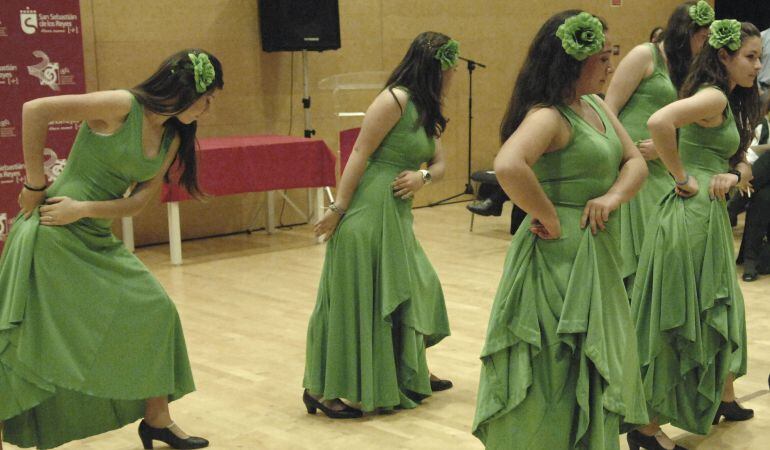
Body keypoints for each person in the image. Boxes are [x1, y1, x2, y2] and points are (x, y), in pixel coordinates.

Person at [0, 49, 221, 450]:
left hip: (91, 230)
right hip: (53, 231)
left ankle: (156, 418)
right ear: (186, 91)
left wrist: (83, 209)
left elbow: (136, 204)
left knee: (156, 308)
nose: (209, 108)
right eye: (208, 98)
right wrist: (35, 184)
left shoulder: (173, 137)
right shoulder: (122, 105)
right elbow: (35, 109)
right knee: (34, 337)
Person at [472, 11, 649, 449]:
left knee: (590, 363)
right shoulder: (549, 116)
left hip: (596, 249)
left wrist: (612, 198)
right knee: (555, 366)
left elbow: (636, 161)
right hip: (558, 259)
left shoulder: (594, 106)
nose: (611, 66)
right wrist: (547, 213)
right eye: (604, 58)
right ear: (573, 61)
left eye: (613, 57)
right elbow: (509, 165)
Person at [302, 31, 456, 418]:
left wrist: (423, 178)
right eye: (449, 67)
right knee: (359, 301)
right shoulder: (396, 99)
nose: (453, 74)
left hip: (397, 216)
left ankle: (408, 369)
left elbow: (439, 165)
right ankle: (322, 390)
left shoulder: (428, 108)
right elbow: (358, 153)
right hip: (368, 211)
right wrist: (338, 209)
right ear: (434, 67)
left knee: (417, 285)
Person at [629, 20, 761, 450]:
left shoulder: (732, 98)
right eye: (750, 57)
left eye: (760, 57)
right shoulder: (715, 94)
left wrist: (734, 171)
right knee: (683, 316)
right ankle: (646, 429)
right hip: (692, 216)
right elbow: (658, 121)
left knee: (716, 308)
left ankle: (723, 395)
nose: (757, 66)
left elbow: (739, 160)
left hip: (705, 216)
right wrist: (683, 175)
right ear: (723, 56)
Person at [606, 0, 713, 295]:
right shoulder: (644, 54)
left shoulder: (689, 69)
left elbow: (683, 123)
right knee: (632, 245)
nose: (705, 46)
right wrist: (624, 152)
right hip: (630, 161)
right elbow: (609, 107)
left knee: (662, 242)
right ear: (685, 32)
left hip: (660, 164)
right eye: (702, 38)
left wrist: (666, 146)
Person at [731, 98, 770, 281]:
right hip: (764, 180)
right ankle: (751, 261)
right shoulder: (762, 125)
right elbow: (750, 154)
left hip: (758, 177)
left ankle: (734, 205)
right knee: (762, 197)